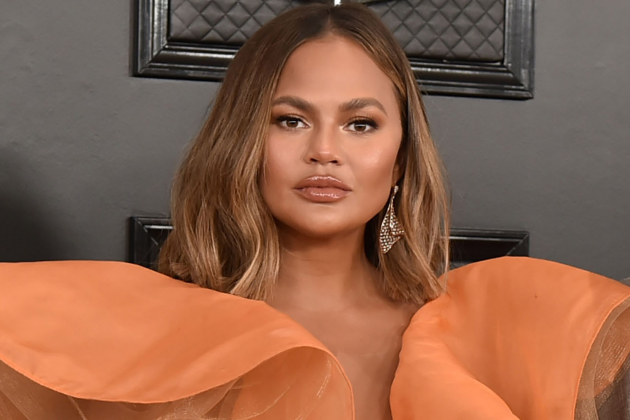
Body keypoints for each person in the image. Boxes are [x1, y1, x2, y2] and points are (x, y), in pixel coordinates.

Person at [0, 2, 628, 419]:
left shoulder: (483, 331)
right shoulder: (162, 331)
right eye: (290, 120)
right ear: (244, 142)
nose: (325, 151)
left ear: (401, 159)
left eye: (361, 124)